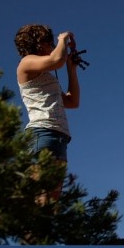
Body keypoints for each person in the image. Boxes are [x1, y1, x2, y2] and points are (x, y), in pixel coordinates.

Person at [15, 23, 81, 202]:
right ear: (37, 43)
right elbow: (55, 61)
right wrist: (63, 39)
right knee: (41, 200)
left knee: (51, 202)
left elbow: (72, 101)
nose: (52, 45)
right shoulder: (26, 62)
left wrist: (71, 68)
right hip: (41, 133)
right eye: (48, 41)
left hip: (58, 137)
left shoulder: (44, 76)